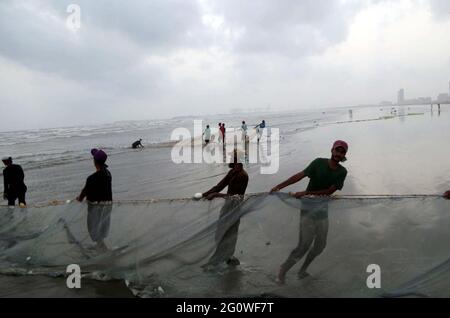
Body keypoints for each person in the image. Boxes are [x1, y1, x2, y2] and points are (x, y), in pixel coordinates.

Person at [270, 140, 348, 284]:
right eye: (337, 150)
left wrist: (306, 192)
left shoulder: (342, 172)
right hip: (307, 210)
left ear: (344, 155)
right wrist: (279, 186)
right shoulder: (318, 163)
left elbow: (329, 191)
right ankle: (283, 270)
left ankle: (302, 270)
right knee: (303, 245)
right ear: (332, 150)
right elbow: (299, 175)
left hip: (323, 213)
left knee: (320, 245)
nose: (339, 154)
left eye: (342, 152)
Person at [202, 150, 249, 268]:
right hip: (227, 206)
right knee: (220, 232)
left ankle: (220, 260)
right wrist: (204, 194)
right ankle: (227, 258)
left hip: (235, 207)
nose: (229, 159)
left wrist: (216, 195)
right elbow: (219, 186)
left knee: (229, 233)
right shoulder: (232, 172)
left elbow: (234, 196)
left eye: (231, 157)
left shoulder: (242, 176)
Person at [76, 149, 113, 252]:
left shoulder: (92, 178)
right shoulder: (108, 174)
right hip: (108, 205)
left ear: (94, 161)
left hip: (95, 206)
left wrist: (79, 199)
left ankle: (101, 246)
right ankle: (101, 245)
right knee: (102, 225)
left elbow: (85, 191)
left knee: (93, 226)